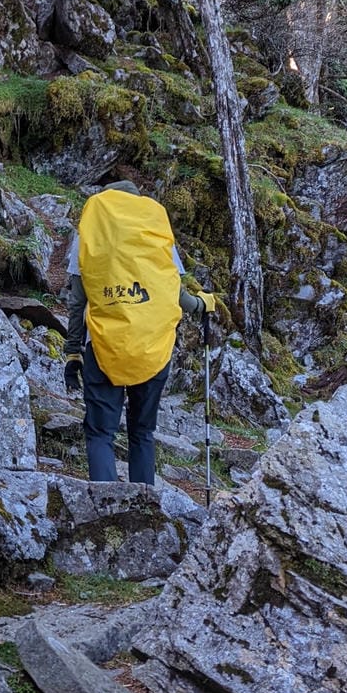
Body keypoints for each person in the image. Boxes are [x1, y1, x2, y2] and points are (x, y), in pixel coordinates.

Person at [62, 180, 216, 484]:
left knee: (100, 433)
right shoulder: (153, 230)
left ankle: (105, 507)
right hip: (153, 349)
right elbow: (175, 294)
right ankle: (146, 509)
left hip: (105, 347)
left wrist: (72, 351)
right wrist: (202, 305)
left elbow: (78, 301)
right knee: (142, 432)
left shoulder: (91, 231)